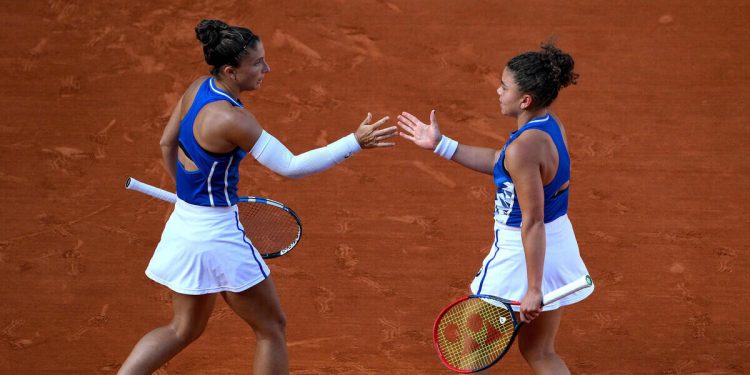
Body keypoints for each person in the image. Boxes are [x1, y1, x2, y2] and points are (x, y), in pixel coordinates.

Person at [118, 19, 396, 375]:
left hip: (184, 225)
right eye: (258, 63)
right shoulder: (235, 120)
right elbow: (291, 166)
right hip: (217, 235)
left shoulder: (196, 88)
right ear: (232, 71)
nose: (267, 69)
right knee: (271, 329)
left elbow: (166, 143)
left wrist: (187, 194)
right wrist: (354, 142)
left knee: (182, 328)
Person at [398, 41, 593, 374]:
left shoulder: (523, 149)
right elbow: (501, 161)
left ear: (525, 100)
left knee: (469, 358)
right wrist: (441, 145)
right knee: (540, 352)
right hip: (557, 244)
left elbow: (531, 221)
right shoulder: (548, 127)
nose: (498, 90)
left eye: (505, 86)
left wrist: (533, 289)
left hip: (521, 254)